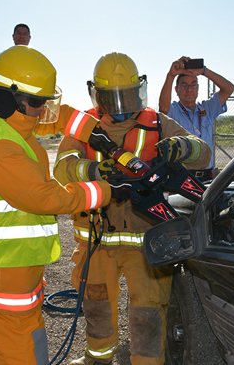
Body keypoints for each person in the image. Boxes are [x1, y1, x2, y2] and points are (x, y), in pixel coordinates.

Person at [53, 52, 211, 365]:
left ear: (138, 90)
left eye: (126, 96)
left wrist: (182, 147)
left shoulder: (156, 121)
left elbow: (203, 155)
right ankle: (97, 358)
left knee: (148, 311)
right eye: (113, 98)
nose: (121, 104)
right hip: (96, 239)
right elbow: (62, 168)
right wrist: (95, 173)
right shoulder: (84, 126)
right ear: (97, 95)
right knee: (97, 304)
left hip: (146, 241)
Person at [0, 45, 113, 365]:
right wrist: (104, 192)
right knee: (23, 341)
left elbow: (57, 116)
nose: (44, 109)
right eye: (37, 102)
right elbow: (45, 197)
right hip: (4, 268)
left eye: (46, 100)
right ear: (9, 97)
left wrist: (94, 132)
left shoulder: (2, 119)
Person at [159, 56, 234, 181]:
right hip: (182, 177)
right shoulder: (174, 110)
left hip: (207, 177)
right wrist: (171, 75)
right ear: (177, 90)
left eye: (193, 85)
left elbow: (229, 89)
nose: (189, 89)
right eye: (184, 86)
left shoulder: (207, 109)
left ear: (198, 88)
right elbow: (163, 107)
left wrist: (204, 71)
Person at [0, 23, 31, 110]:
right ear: (13, 36)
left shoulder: (34, 60)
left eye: (25, 34)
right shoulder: (4, 57)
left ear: (29, 38)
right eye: (18, 33)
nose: (21, 36)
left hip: (27, 105)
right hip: (5, 104)